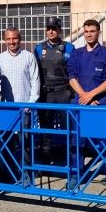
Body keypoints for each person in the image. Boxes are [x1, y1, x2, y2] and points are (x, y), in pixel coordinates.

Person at [66, 19, 106, 194]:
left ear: (99, 32)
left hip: (102, 105)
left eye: (92, 31)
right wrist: (84, 96)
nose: (89, 34)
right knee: (77, 141)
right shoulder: (76, 53)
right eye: (86, 31)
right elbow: (72, 77)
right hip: (81, 105)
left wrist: (92, 95)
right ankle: (75, 175)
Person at [0, 27, 40, 185]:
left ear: (20, 39)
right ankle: (7, 172)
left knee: (25, 142)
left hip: (25, 108)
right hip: (6, 109)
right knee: (6, 142)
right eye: (8, 39)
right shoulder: (0, 59)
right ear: (5, 40)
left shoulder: (29, 57)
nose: (11, 42)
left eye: (14, 38)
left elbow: (36, 81)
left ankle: (27, 173)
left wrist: (30, 103)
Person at [33, 16, 74, 160]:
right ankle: (46, 157)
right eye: (48, 29)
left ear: (59, 30)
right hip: (46, 94)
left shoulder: (68, 47)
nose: (51, 32)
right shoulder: (39, 48)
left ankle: (68, 158)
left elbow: (73, 71)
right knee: (45, 128)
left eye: (54, 29)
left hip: (63, 93)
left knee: (67, 127)